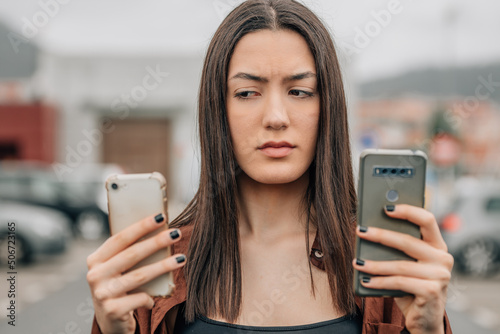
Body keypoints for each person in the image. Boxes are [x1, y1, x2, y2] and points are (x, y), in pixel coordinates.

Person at [86, 1, 453, 333]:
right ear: (218, 110)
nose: (276, 117)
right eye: (247, 93)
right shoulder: (163, 265)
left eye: (299, 91)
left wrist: (429, 330)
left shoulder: (386, 266)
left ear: (328, 108)